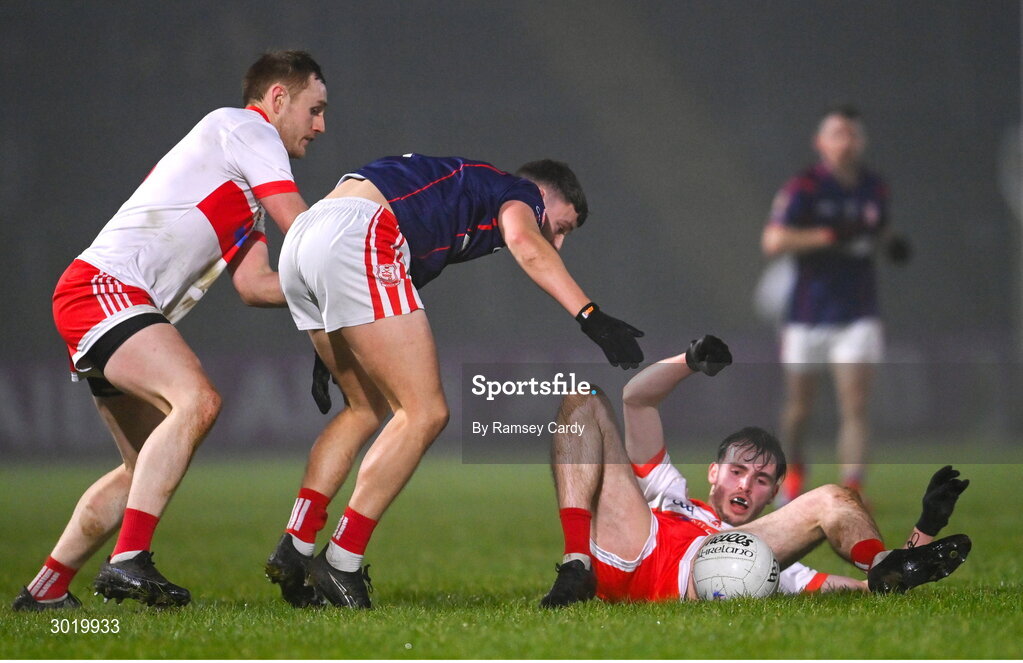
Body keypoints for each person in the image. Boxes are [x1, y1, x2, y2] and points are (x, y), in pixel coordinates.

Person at [11, 51, 328, 611]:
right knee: (198, 400)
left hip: (104, 296)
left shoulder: (243, 181)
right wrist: (359, 271)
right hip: (106, 289)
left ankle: (46, 592)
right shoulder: (246, 128)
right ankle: (129, 561)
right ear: (277, 99)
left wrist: (325, 297)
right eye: (314, 109)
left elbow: (256, 284)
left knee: (141, 467)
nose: (321, 126)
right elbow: (301, 227)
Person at [265, 154, 645, 609]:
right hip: (357, 233)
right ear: (544, 196)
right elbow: (526, 241)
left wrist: (330, 324)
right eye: (562, 226)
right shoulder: (519, 193)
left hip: (305, 238)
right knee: (425, 413)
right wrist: (591, 316)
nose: (558, 243)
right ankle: (341, 560)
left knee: (364, 407)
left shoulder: (457, 194)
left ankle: (297, 541)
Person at [539, 335, 970, 607]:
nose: (746, 484)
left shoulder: (764, 562)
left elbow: (873, 591)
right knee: (584, 398)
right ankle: (576, 561)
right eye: (738, 470)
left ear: (773, 495)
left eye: (762, 480)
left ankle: (880, 556)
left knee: (834, 497)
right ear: (713, 472)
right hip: (633, 541)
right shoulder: (667, 489)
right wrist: (688, 361)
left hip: (713, 569)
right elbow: (637, 399)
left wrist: (925, 530)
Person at [761, 104, 912, 504]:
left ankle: (852, 489)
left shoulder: (873, 187)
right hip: (807, 313)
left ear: (861, 141)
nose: (844, 142)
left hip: (858, 312)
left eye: (851, 134)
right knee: (799, 408)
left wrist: (891, 241)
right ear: (820, 142)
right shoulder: (804, 187)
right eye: (836, 134)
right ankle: (793, 473)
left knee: (856, 403)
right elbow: (774, 241)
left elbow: (878, 228)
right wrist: (827, 236)